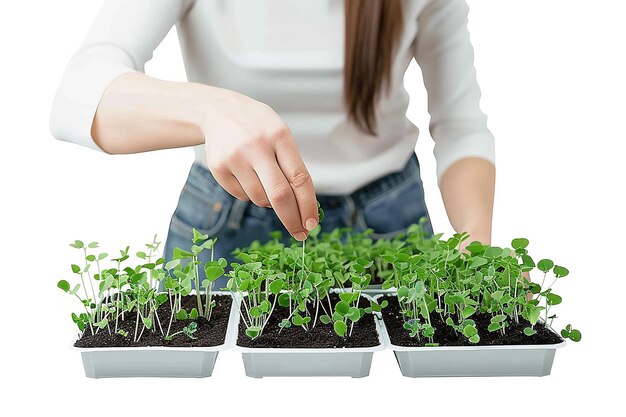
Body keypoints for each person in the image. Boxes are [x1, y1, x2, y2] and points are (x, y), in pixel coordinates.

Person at [50, 0, 495, 289]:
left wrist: (474, 243)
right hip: (227, 221)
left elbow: (460, 126)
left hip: (390, 222)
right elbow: (77, 97)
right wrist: (210, 111)